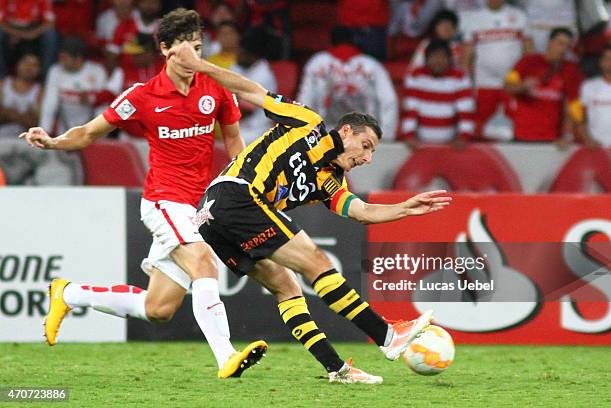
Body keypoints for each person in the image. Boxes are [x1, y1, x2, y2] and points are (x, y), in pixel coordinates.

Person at [168, 41, 452, 384]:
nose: (367, 158)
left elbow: (361, 211)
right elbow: (252, 91)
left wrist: (404, 208)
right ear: (346, 131)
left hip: (213, 218)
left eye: (373, 153)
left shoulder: (330, 180)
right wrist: (200, 65)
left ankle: (337, 369)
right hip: (235, 194)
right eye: (366, 146)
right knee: (317, 261)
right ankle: (388, 337)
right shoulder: (307, 122)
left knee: (286, 286)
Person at [20, 8, 266, 379]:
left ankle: (68, 294)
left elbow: (233, 140)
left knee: (158, 308)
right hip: (163, 201)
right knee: (204, 264)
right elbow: (88, 132)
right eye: (185, 50)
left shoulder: (215, 86)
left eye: (198, 49)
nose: (193, 59)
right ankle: (226, 356)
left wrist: (241, 184)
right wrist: (53, 141)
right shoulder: (143, 95)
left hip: (200, 205)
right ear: (165, 49)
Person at [297, 26, 397, 142]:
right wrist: (387, 136)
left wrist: (304, 133)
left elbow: (305, 100)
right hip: (364, 138)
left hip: (326, 138)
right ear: (354, 41)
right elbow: (389, 100)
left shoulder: (317, 62)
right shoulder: (372, 65)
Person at [459, 0, 531, 140]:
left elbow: (529, 51)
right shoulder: (474, 19)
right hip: (484, 83)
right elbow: (466, 56)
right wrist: (466, 84)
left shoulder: (519, 16)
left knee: (515, 127)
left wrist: (524, 80)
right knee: (481, 128)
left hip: (511, 84)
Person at [504, 27, 583, 144]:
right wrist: (523, 86)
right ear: (550, 43)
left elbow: (572, 106)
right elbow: (507, 87)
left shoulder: (571, 70)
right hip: (522, 135)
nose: (563, 49)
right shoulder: (527, 61)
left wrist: (567, 135)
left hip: (552, 139)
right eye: (560, 43)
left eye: (567, 46)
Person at [400, 40, 474, 148]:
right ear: (426, 59)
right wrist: (409, 135)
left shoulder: (460, 77)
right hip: (419, 144)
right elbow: (410, 110)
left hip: (452, 144)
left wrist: (464, 137)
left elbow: (466, 112)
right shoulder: (415, 76)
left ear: (449, 59)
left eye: (442, 57)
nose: (438, 61)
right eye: (434, 57)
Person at [39, 37, 108, 135]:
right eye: (60, 58)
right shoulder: (55, 71)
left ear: (78, 58)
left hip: (91, 128)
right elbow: (50, 102)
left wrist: (98, 133)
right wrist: (44, 130)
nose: (61, 62)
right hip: (64, 128)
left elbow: (102, 105)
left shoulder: (97, 71)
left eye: (65, 58)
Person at [575, 44, 611, 148]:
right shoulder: (588, 86)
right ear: (601, 63)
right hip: (595, 148)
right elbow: (578, 116)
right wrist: (587, 139)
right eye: (608, 59)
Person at [0, 53, 42, 138]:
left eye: (34, 65)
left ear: (39, 70)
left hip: (26, 142)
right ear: (18, 64)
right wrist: (23, 117)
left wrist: (8, 113)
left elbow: (35, 124)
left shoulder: (40, 91)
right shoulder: (3, 85)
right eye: (26, 63)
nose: (29, 67)